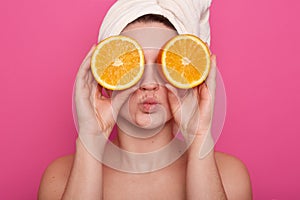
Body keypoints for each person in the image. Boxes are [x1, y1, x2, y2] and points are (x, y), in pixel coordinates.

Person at [38, 0, 252, 199]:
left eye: (164, 66)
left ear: (188, 79)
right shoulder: (61, 178)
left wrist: (199, 138)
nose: (149, 84)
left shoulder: (229, 177)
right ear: (104, 78)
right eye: (133, 64)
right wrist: (90, 141)